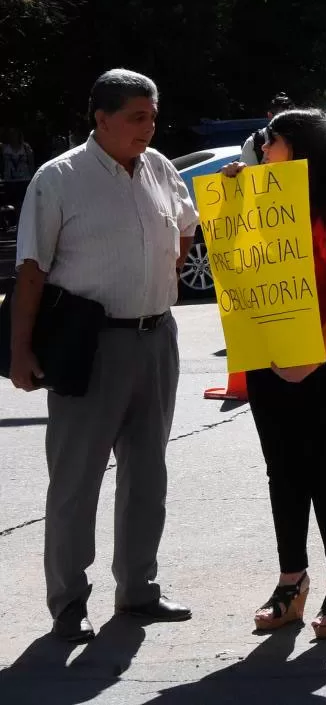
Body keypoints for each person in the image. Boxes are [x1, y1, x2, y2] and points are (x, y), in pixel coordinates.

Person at [9, 69, 198, 642]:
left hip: (156, 339)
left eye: (153, 116)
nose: (149, 127)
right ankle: (68, 601)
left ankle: (138, 589)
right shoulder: (58, 179)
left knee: (147, 474)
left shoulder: (160, 168)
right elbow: (32, 271)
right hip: (88, 346)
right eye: (137, 117)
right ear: (102, 118)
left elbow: (187, 226)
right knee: (76, 478)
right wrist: (20, 352)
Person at [223, 111, 326, 640]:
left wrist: (314, 355)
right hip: (268, 355)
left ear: (300, 146)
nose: (263, 147)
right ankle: (291, 583)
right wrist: (233, 201)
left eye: (272, 139)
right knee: (282, 471)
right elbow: (236, 265)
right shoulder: (257, 196)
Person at [240, 92, 296, 165]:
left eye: (289, 117)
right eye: (272, 139)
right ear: (269, 115)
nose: (264, 147)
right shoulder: (253, 143)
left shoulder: (303, 140)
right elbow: (248, 175)